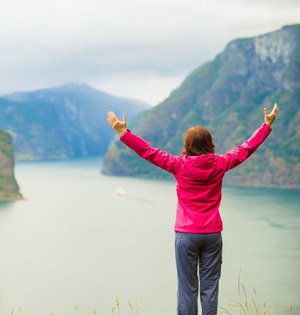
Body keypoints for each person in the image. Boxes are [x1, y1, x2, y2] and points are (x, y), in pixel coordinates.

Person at [107, 103, 278, 315]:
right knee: (210, 288)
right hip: (212, 233)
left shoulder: (178, 164)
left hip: (186, 234)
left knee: (187, 289)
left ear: (187, 145)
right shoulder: (221, 163)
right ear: (210, 144)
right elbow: (245, 149)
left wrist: (123, 133)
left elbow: (149, 152)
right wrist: (266, 126)